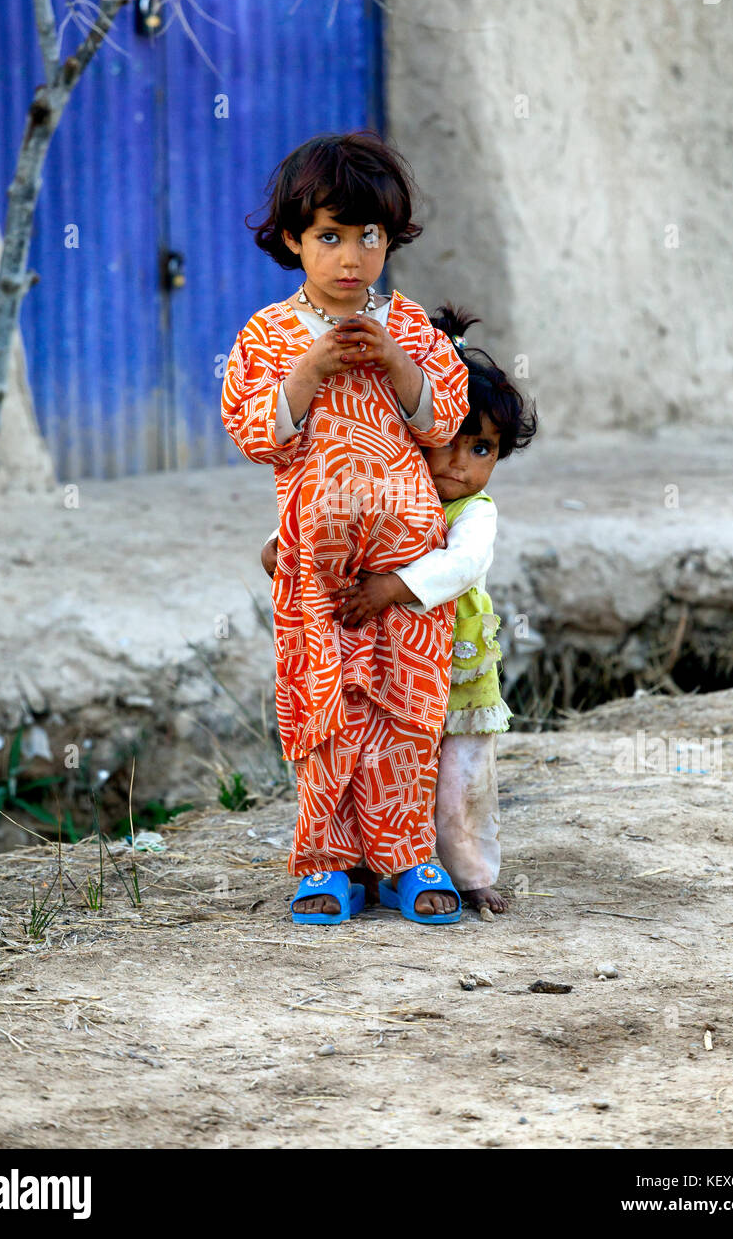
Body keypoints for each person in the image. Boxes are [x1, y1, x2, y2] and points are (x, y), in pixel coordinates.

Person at [222, 132, 470, 925]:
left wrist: (398, 364)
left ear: (390, 241)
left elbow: (444, 425)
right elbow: (254, 433)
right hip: (316, 572)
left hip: (406, 565)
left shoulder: (412, 328)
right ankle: (326, 862)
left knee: (407, 709)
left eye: (370, 237)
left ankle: (406, 856)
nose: (351, 256)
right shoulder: (267, 335)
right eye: (330, 236)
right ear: (293, 239)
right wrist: (308, 373)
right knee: (324, 711)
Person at [329, 304, 538, 912]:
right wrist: (278, 545)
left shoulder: (475, 512)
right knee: (386, 771)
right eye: (448, 442)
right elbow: (327, 510)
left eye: (483, 450)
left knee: (460, 782)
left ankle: (472, 874)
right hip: (392, 675)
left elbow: (463, 565)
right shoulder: (392, 489)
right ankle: (379, 867)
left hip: (456, 677)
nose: (461, 464)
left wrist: (391, 588)